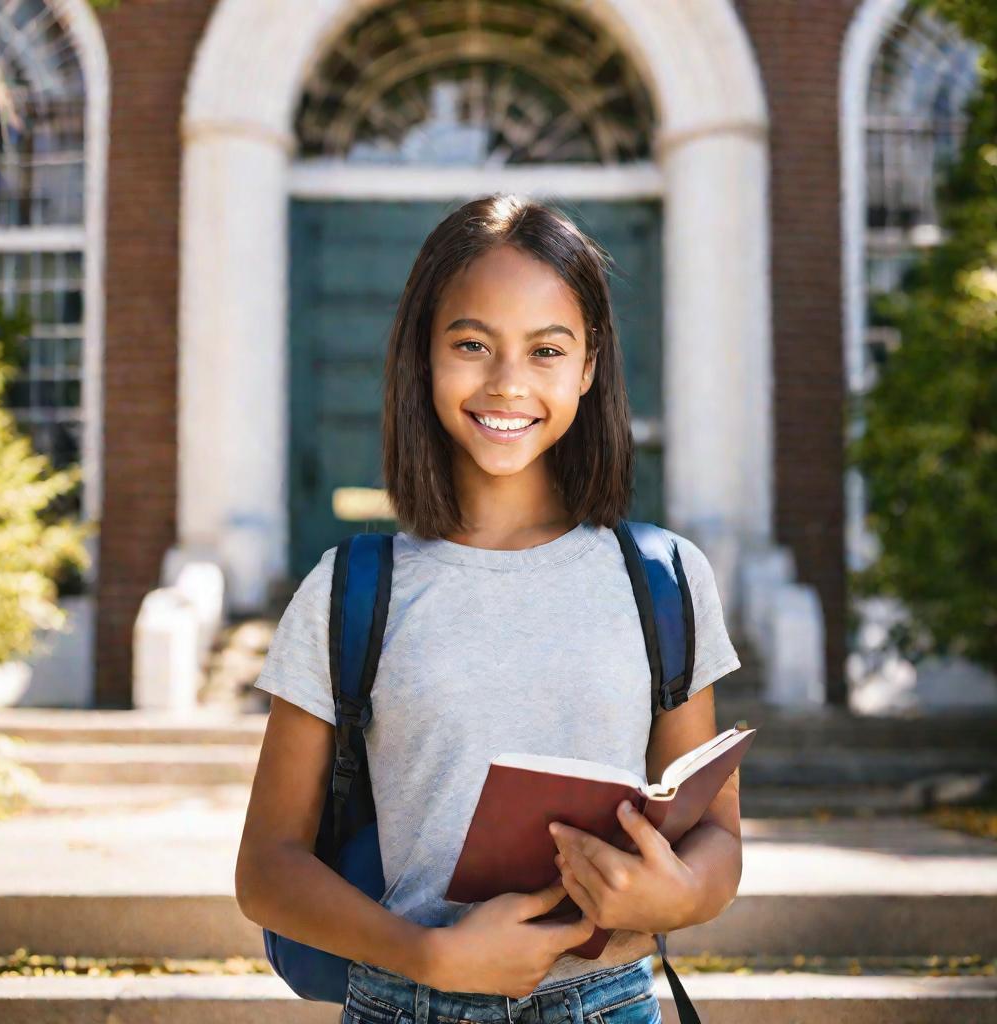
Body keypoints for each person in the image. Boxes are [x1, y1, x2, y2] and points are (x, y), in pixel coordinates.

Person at [235, 194, 744, 1024]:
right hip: (407, 1004)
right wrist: (433, 954)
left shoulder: (664, 576)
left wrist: (675, 895)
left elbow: (717, 839)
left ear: (588, 366)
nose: (508, 383)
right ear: (424, 357)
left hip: (608, 1002)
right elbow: (266, 869)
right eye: (472, 345)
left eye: (547, 350)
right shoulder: (353, 587)